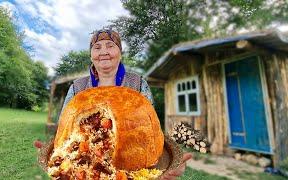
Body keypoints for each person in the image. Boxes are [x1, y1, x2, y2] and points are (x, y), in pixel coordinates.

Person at [60, 29, 192, 180]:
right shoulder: (77, 87)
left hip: (133, 166)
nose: (103, 52)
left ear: (120, 52)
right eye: (97, 47)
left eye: (110, 45)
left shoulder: (138, 84)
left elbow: (150, 128)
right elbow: (64, 127)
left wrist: (163, 164)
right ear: (91, 55)